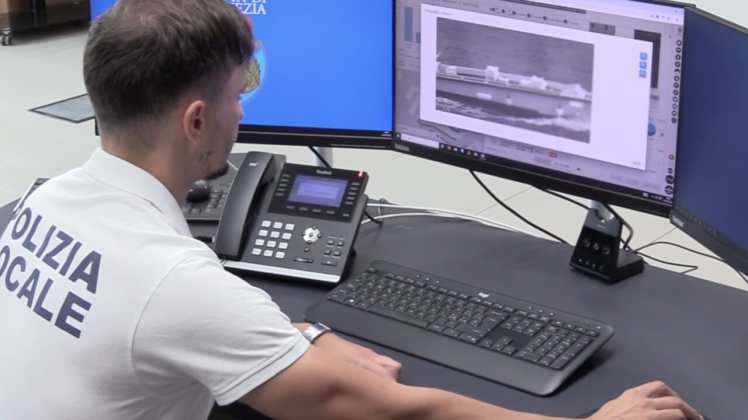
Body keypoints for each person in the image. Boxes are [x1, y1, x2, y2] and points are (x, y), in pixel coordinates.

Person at [0, 1, 703, 419]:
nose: (242, 112)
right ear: (196, 120)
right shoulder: (175, 283)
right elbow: (384, 410)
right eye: (238, 94)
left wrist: (294, 333)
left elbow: (162, 321)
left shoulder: (45, 201)